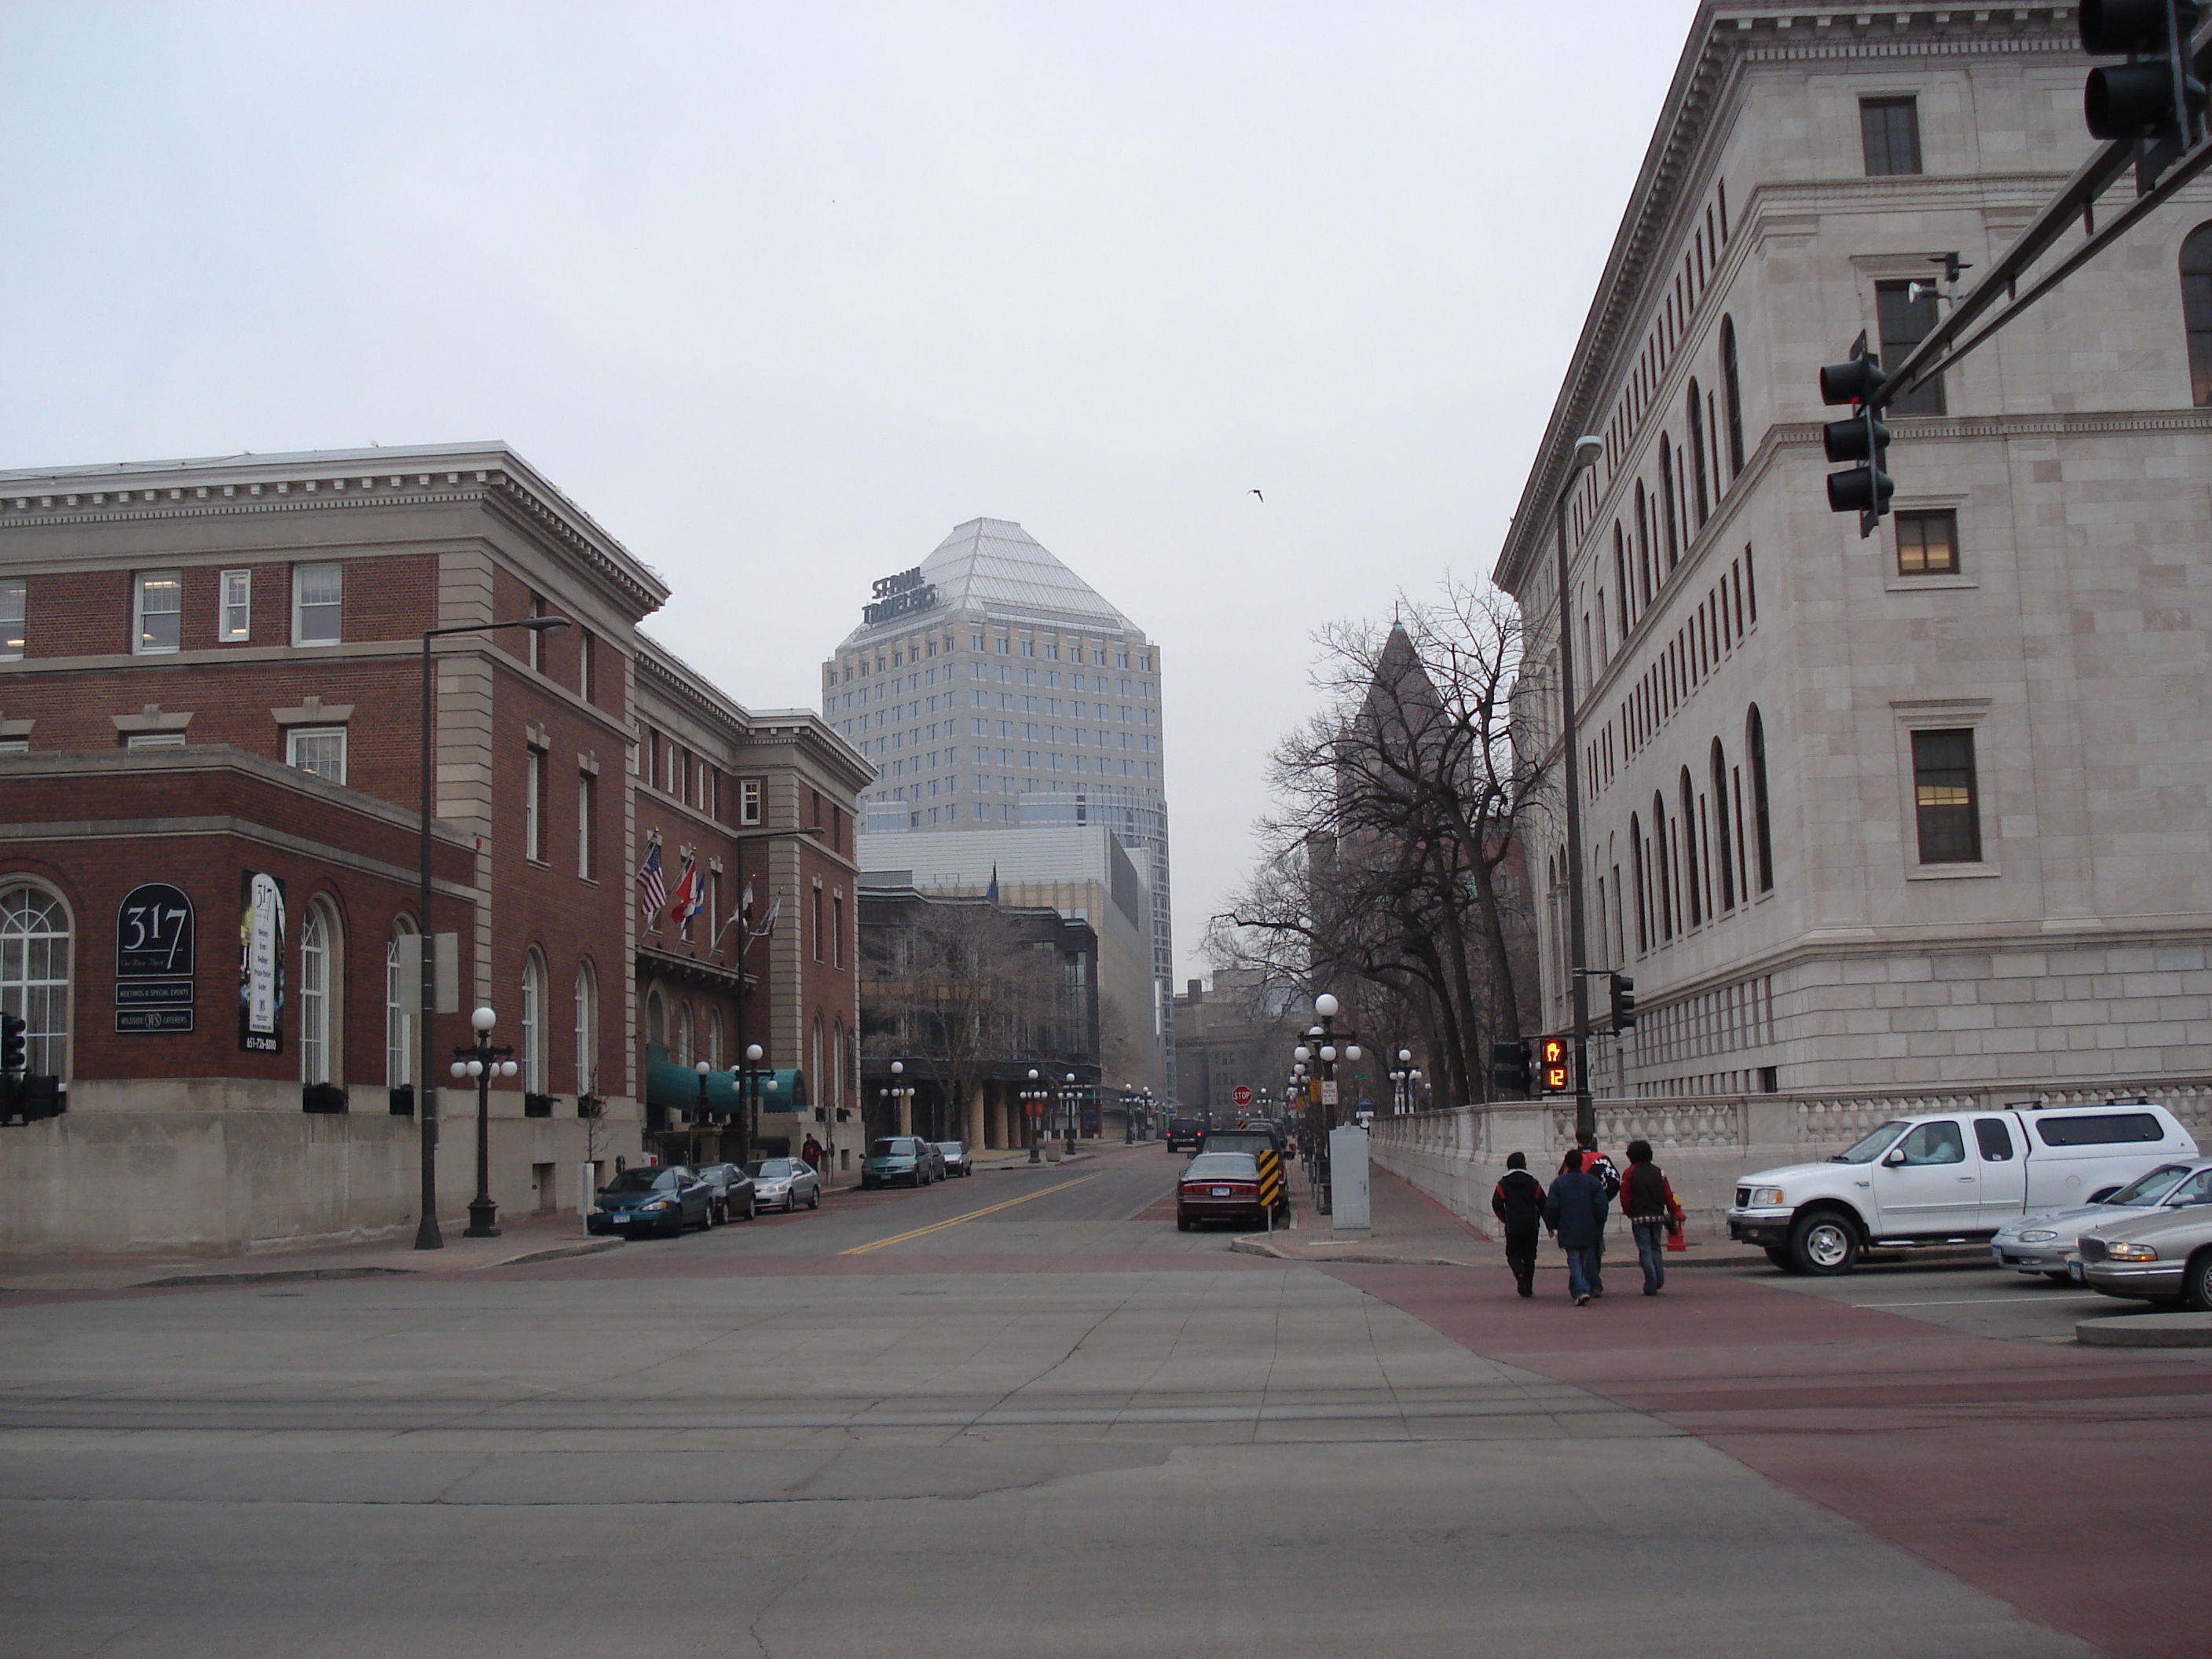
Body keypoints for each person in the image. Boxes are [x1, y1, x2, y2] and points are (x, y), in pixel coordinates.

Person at [1544, 1150, 1610, 1306]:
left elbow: (1552, 1206)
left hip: (1567, 1225)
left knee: (1573, 1258)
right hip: (1588, 1225)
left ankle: (1581, 1289)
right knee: (1584, 1258)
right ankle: (1580, 1287)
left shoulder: (1559, 1183)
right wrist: (1599, 1221)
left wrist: (1553, 1224)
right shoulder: (1592, 1182)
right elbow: (1601, 1205)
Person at [1621, 1139, 1686, 1295]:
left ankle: (1650, 1283)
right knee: (1656, 1248)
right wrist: (1673, 1212)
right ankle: (1659, 1278)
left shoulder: (1629, 1173)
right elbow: (1667, 1194)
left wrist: (1629, 1212)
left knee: (1645, 1250)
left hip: (1639, 1216)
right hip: (1657, 1215)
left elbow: (1625, 1196)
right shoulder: (1658, 1171)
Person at [1489, 1151, 1547, 1298]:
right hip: (1531, 1223)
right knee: (1530, 1256)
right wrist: (1547, 1222)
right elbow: (1542, 1203)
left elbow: (1497, 1204)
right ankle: (1528, 1286)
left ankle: (1519, 1273)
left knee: (1513, 1254)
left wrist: (1504, 1218)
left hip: (1513, 1223)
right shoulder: (1533, 1182)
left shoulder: (1503, 1184)